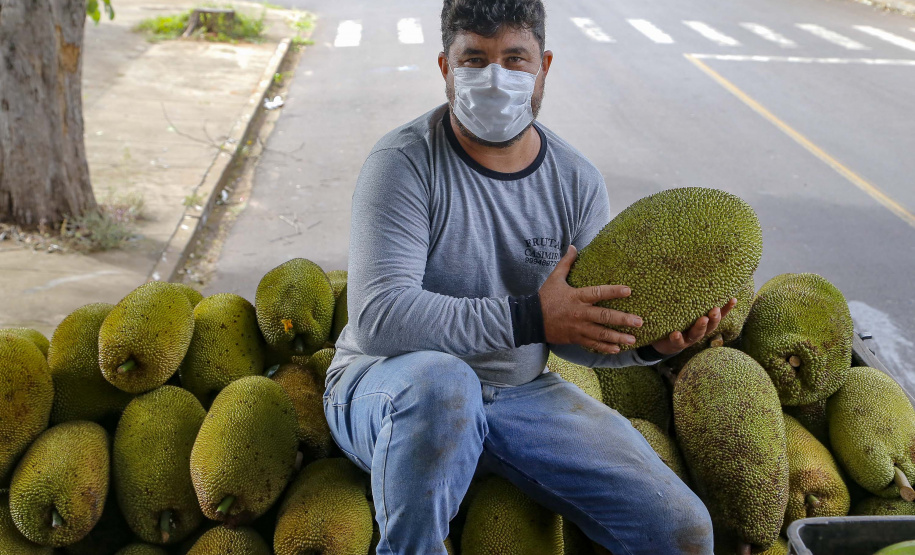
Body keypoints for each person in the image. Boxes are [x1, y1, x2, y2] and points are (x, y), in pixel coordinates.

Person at [324, 1, 734, 553]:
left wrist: (646, 345)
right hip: (390, 391)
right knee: (446, 384)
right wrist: (530, 316)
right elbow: (379, 319)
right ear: (445, 68)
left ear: (543, 65)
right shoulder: (403, 162)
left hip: (520, 396)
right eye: (475, 59)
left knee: (681, 529)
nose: (495, 78)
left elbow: (575, 330)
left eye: (515, 59)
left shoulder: (576, 181)